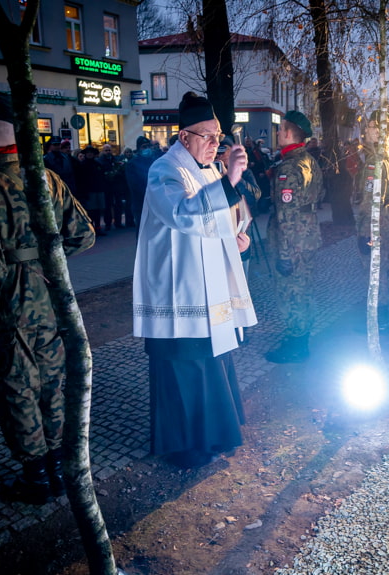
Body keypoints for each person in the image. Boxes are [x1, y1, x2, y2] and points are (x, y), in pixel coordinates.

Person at [0, 90, 95, 504]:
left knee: (18, 390)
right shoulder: (46, 178)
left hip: (10, 308)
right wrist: (46, 259)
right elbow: (84, 234)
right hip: (52, 300)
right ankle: (57, 467)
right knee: (53, 384)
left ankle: (36, 477)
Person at [132, 91, 256, 469]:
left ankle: (216, 435)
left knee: (213, 359)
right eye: (208, 136)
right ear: (184, 137)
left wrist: (238, 232)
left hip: (209, 283)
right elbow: (186, 216)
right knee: (186, 365)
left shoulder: (209, 169)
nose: (216, 144)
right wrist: (230, 179)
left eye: (219, 136)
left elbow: (226, 215)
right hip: (178, 289)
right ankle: (188, 445)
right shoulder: (165, 170)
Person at [264, 110, 324, 363]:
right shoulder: (309, 160)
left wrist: (285, 254)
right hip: (308, 235)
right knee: (304, 288)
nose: (278, 133)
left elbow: (286, 215)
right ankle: (302, 336)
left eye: (280, 129)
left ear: (289, 133)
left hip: (292, 241)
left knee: (291, 292)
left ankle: (296, 344)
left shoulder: (288, 168)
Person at [350, 111, 389, 332]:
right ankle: (386, 317)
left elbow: (370, 201)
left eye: (374, 126)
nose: (368, 130)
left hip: (375, 222)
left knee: (374, 273)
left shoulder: (376, 160)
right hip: (387, 217)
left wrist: (365, 232)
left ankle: (378, 323)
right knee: (385, 269)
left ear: (386, 132)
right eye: (369, 126)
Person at [216, 135, 261, 277]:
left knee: (240, 277)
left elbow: (255, 196)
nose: (220, 154)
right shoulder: (206, 171)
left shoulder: (244, 172)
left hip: (239, 233)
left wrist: (233, 177)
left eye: (224, 149)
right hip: (216, 233)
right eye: (217, 149)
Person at [124, 135, 156, 239]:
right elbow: (134, 185)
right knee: (142, 231)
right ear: (138, 149)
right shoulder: (132, 164)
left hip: (154, 203)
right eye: (144, 147)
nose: (147, 149)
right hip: (140, 203)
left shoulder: (155, 162)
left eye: (148, 146)